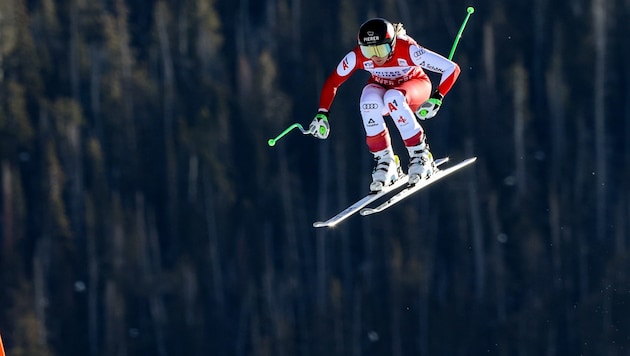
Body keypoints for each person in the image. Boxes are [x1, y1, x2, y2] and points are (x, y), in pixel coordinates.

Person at [309, 18, 460, 192]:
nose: (375, 57)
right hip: (384, 88)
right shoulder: (357, 55)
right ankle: (386, 161)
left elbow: (451, 68)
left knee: (393, 98)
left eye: (381, 50)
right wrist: (322, 113)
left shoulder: (408, 49)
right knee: (368, 101)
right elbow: (333, 81)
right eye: (368, 51)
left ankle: (420, 155)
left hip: (415, 87)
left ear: (392, 45)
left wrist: (437, 97)